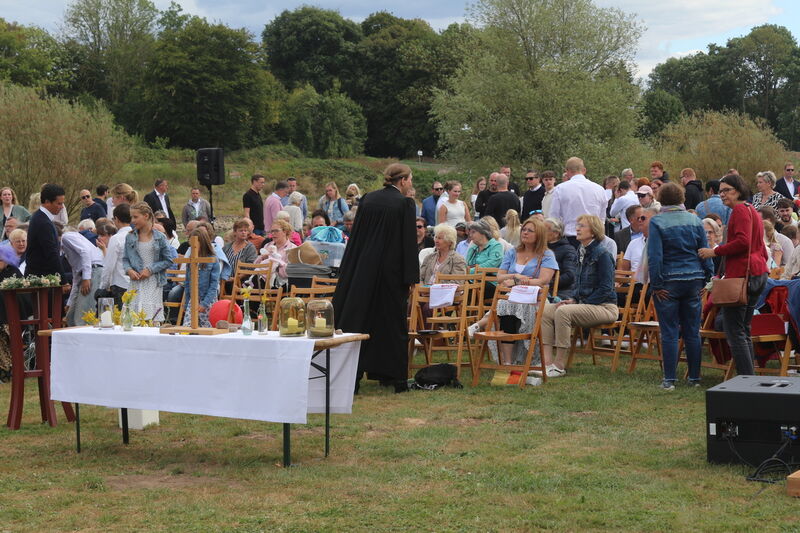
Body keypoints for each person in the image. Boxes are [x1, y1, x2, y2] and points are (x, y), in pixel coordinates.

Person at [334, 163, 419, 393]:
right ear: (403, 180)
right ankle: (395, 378)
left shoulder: (368, 199)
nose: (410, 184)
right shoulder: (404, 204)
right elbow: (408, 242)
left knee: (358, 320)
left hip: (362, 269)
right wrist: (411, 277)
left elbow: (357, 237)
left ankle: (352, 378)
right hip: (390, 274)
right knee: (391, 324)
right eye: (410, 179)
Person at [699, 173, 769, 376]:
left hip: (743, 274)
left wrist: (715, 251)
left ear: (738, 191)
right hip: (756, 271)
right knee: (743, 329)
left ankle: (746, 379)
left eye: (727, 190)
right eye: (720, 191)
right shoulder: (751, 209)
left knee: (735, 330)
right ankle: (749, 378)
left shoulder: (739, 210)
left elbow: (743, 242)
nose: (722, 194)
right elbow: (758, 246)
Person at [646, 182, 714, 390]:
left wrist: (656, 284)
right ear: (682, 198)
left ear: (661, 199)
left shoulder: (657, 222)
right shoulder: (695, 220)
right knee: (693, 331)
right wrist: (707, 279)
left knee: (669, 331)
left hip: (668, 280)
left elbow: (655, 256)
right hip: (694, 279)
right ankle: (694, 378)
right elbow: (704, 250)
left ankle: (669, 379)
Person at [537, 215, 618, 379]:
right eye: (577, 225)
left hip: (605, 307)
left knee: (563, 312)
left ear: (593, 231)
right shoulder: (582, 251)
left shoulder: (602, 254)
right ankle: (547, 362)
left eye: (582, 226)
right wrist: (573, 300)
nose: (577, 229)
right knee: (545, 310)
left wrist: (581, 302)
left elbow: (606, 288)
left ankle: (559, 365)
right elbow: (578, 285)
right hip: (585, 304)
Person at [468, 218, 558, 364]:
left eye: (530, 231)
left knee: (507, 305)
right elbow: (499, 277)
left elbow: (543, 280)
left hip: (535, 298)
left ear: (539, 235)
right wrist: (515, 276)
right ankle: (508, 362)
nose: (525, 233)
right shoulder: (512, 252)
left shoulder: (546, 255)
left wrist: (516, 282)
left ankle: (481, 323)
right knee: (507, 307)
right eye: (524, 230)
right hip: (512, 296)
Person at [123, 202, 177, 322]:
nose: (132, 220)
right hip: (135, 282)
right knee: (132, 317)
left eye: (135, 217)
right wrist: (129, 270)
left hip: (153, 281)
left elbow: (168, 260)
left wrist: (150, 269)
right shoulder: (130, 237)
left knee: (150, 316)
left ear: (146, 216)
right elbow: (125, 259)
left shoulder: (160, 237)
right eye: (131, 217)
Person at [549, 157, 607, 248]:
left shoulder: (560, 189)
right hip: (593, 237)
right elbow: (602, 219)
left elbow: (554, 218)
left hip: (570, 238)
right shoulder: (600, 189)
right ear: (584, 170)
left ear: (567, 171)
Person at [61, 227, 105, 326]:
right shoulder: (68, 245)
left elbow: (85, 251)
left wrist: (86, 278)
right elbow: (76, 277)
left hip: (94, 271)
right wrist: (69, 303)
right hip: (91, 272)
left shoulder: (66, 236)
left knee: (83, 319)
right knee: (70, 317)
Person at [181, 228, 220, 328]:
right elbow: (187, 282)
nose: (192, 247)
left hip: (207, 300)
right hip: (193, 299)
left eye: (195, 244)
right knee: (187, 327)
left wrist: (205, 303)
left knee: (206, 327)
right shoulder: (191, 259)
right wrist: (187, 302)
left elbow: (214, 285)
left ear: (202, 243)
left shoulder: (213, 259)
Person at [26, 183, 65, 277]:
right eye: (59, 203)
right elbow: (51, 253)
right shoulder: (43, 222)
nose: (62, 207)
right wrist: (63, 280)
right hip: (41, 278)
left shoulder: (40, 217)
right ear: (47, 202)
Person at [99, 203, 133, 307]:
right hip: (134, 283)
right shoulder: (137, 236)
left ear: (116, 219)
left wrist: (103, 286)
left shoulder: (116, 238)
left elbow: (109, 265)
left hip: (120, 284)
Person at [465, 219, 503, 300]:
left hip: (490, 282)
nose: (470, 235)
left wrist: (468, 272)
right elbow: (466, 265)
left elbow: (491, 265)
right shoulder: (473, 248)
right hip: (472, 280)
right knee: (456, 286)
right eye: (470, 232)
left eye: (473, 232)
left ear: (483, 232)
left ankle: (465, 308)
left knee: (468, 289)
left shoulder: (496, 246)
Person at [545, 218, 577, 300]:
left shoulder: (568, 250)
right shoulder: (540, 248)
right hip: (542, 288)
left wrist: (547, 282)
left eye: (545, 230)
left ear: (556, 233)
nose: (541, 232)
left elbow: (570, 275)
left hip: (561, 291)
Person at [222, 219, 258, 289]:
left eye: (245, 231)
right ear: (235, 232)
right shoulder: (227, 247)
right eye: (241, 230)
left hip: (243, 281)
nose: (243, 232)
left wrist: (236, 278)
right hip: (226, 279)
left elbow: (251, 267)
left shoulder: (250, 248)